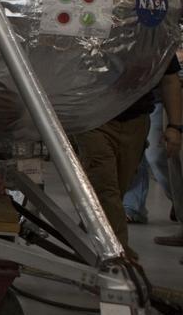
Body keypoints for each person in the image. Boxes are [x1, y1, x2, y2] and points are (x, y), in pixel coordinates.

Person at [75, 59, 182, 258]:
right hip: (94, 119)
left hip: (135, 120)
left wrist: (175, 126)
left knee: (116, 190)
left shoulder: (152, 32)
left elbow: (169, 78)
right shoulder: (94, 28)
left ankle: (94, 235)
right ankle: (118, 256)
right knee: (105, 188)